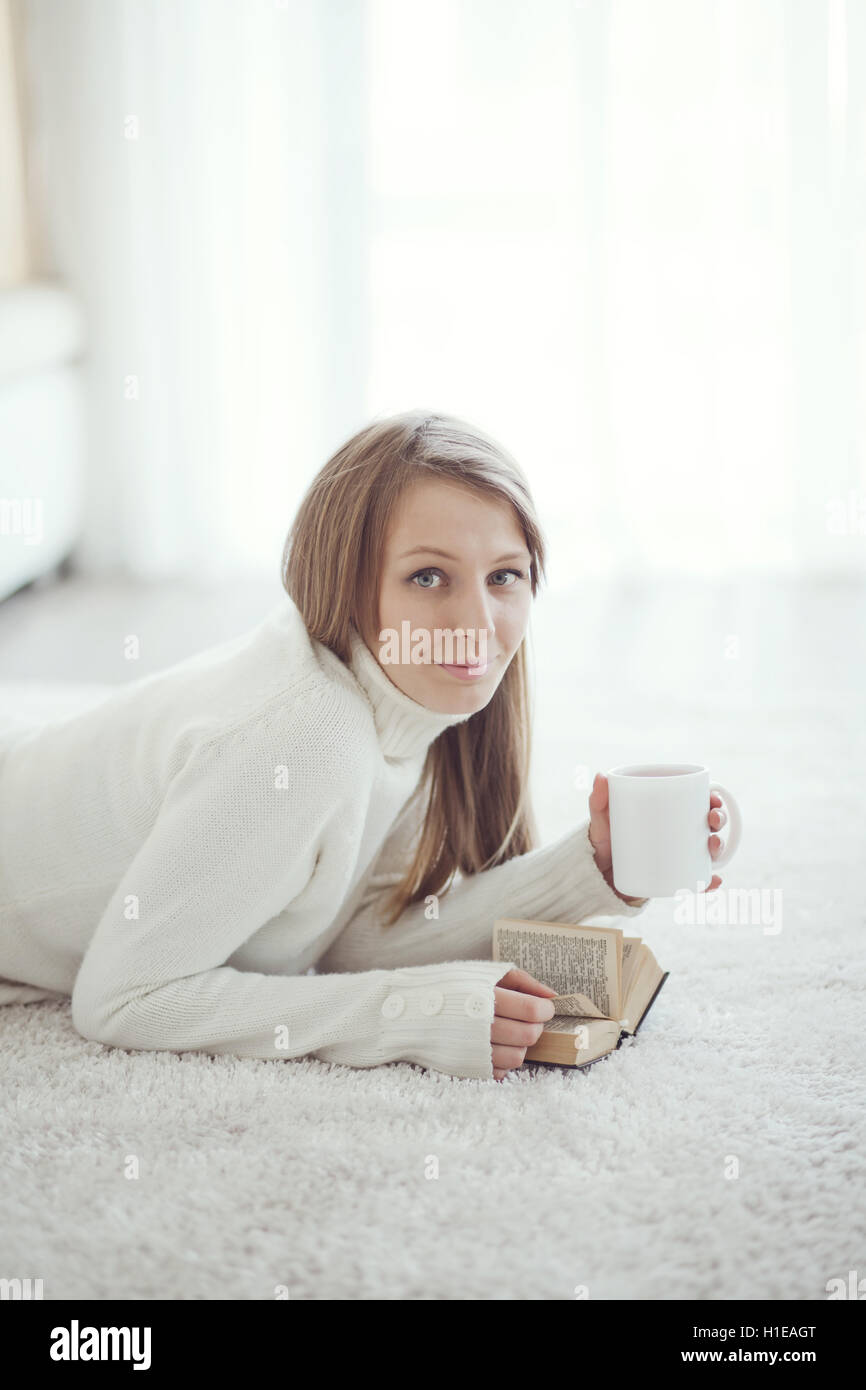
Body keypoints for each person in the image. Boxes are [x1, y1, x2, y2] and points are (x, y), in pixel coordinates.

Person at [0, 409, 726, 1081]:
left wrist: (596, 866)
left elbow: (352, 939)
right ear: (345, 581)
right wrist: (410, 1014)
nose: (476, 620)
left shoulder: (401, 697)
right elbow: (126, 999)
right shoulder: (307, 737)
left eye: (505, 575)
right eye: (428, 576)